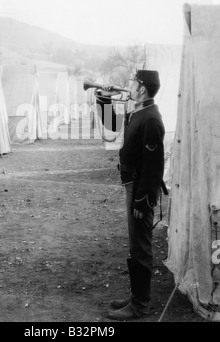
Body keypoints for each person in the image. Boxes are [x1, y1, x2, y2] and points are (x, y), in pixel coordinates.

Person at [96, 69, 165, 321]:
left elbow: (154, 166)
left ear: (142, 88)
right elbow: (112, 125)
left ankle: (140, 305)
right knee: (136, 245)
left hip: (139, 190)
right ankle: (137, 297)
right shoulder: (139, 112)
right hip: (132, 185)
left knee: (141, 246)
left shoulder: (150, 119)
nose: (129, 86)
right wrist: (103, 98)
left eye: (133, 83)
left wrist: (143, 200)